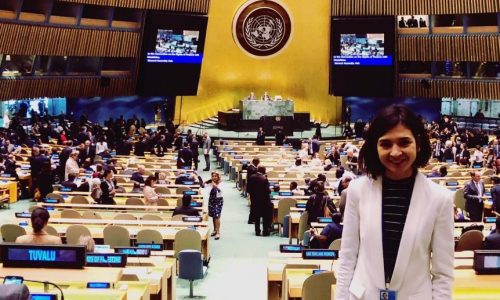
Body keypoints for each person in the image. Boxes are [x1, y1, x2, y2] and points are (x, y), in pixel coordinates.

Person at [336, 105, 454, 300]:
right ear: (375, 147)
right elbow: (347, 259)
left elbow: (443, 275)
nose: (396, 152)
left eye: (404, 142)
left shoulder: (440, 199)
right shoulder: (357, 191)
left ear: (418, 144)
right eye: (385, 144)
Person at [247, 166, 272, 236]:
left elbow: (248, 189)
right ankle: (265, 231)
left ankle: (257, 231)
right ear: (264, 171)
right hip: (264, 201)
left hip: (254, 200)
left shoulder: (251, 177)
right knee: (265, 216)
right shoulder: (264, 179)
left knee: (257, 216)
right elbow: (268, 191)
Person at [207, 172, 223, 240]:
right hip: (211, 200)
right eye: (213, 176)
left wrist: (215, 186)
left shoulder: (221, 183)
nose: (214, 177)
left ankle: (218, 232)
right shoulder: (210, 183)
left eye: (215, 176)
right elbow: (203, 186)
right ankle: (215, 230)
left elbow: (220, 192)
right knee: (213, 215)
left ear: (218, 177)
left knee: (217, 216)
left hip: (218, 201)